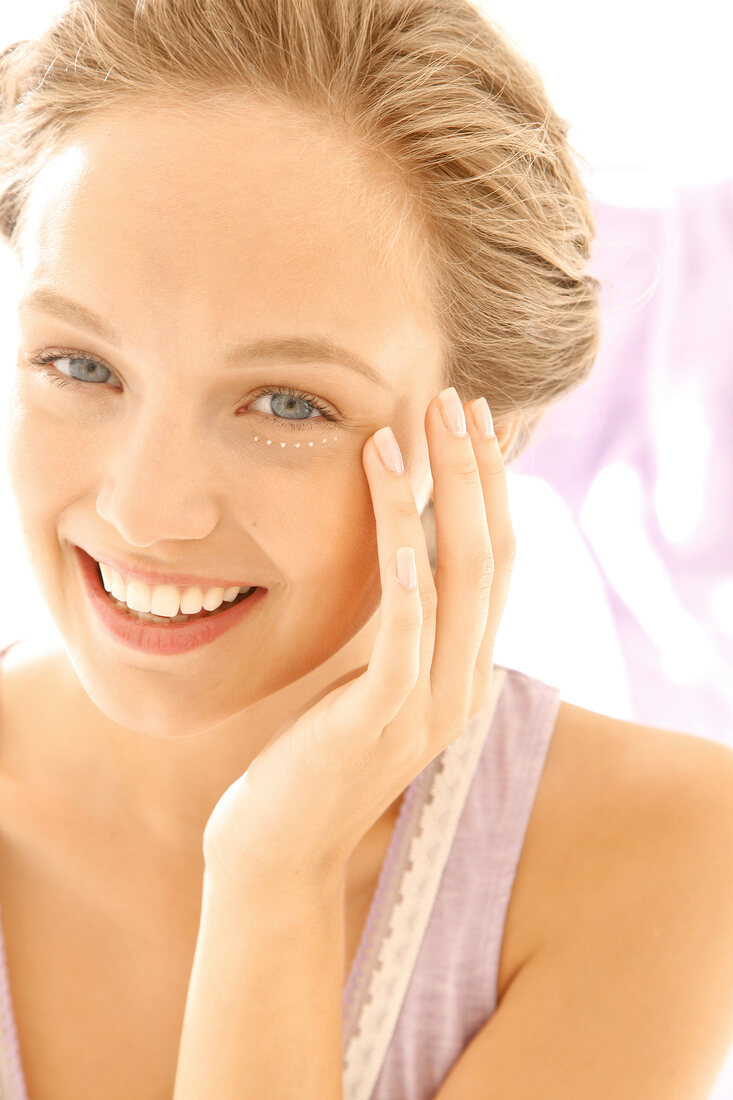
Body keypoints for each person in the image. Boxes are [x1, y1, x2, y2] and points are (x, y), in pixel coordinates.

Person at [0, 1, 731, 1097]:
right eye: (80, 365)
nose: (146, 510)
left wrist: (270, 880)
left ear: (480, 433)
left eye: (287, 400)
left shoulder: (657, 852)